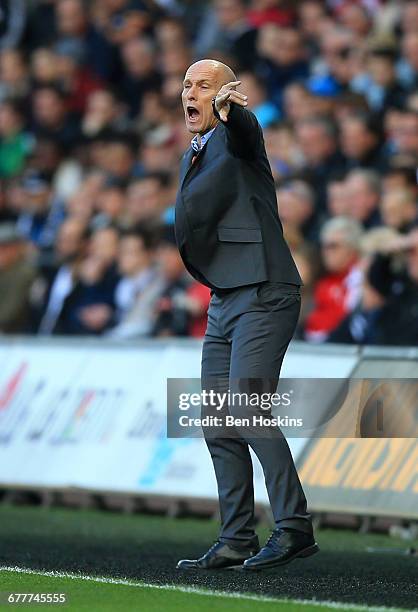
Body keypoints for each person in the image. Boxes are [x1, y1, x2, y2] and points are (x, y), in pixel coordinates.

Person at [174, 59, 318, 572]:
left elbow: (245, 133)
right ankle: (236, 537)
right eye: (187, 85)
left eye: (204, 86)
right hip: (224, 297)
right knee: (218, 419)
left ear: (222, 94)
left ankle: (294, 527)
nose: (192, 93)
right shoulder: (194, 151)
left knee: (247, 410)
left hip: (263, 288)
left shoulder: (234, 136)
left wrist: (230, 109)